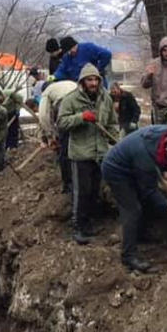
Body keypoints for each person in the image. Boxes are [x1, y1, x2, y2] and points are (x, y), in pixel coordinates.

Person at [101, 126, 167, 272]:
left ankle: (140, 234)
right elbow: (149, 190)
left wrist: (163, 170)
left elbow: (159, 167)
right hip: (115, 170)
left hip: (132, 164)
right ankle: (128, 256)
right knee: (132, 209)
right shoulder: (145, 158)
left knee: (142, 202)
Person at [57, 63, 119, 244]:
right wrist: (81, 117)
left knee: (94, 191)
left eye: (95, 80)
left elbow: (112, 123)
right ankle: (77, 227)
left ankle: (89, 224)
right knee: (81, 192)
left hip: (100, 152)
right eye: (89, 80)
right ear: (82, 82)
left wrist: (115, 140)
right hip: (80, 153)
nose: (93, 83)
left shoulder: (105, 99)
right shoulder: (71, 100)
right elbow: (61, 123)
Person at [38, 80, 78, 194]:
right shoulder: (67, 83)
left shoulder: (47, 93)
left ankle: (68, 185)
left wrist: (51, 136)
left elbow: (44, 116)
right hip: (82, 103)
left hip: (65, 105)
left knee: (64, 152)